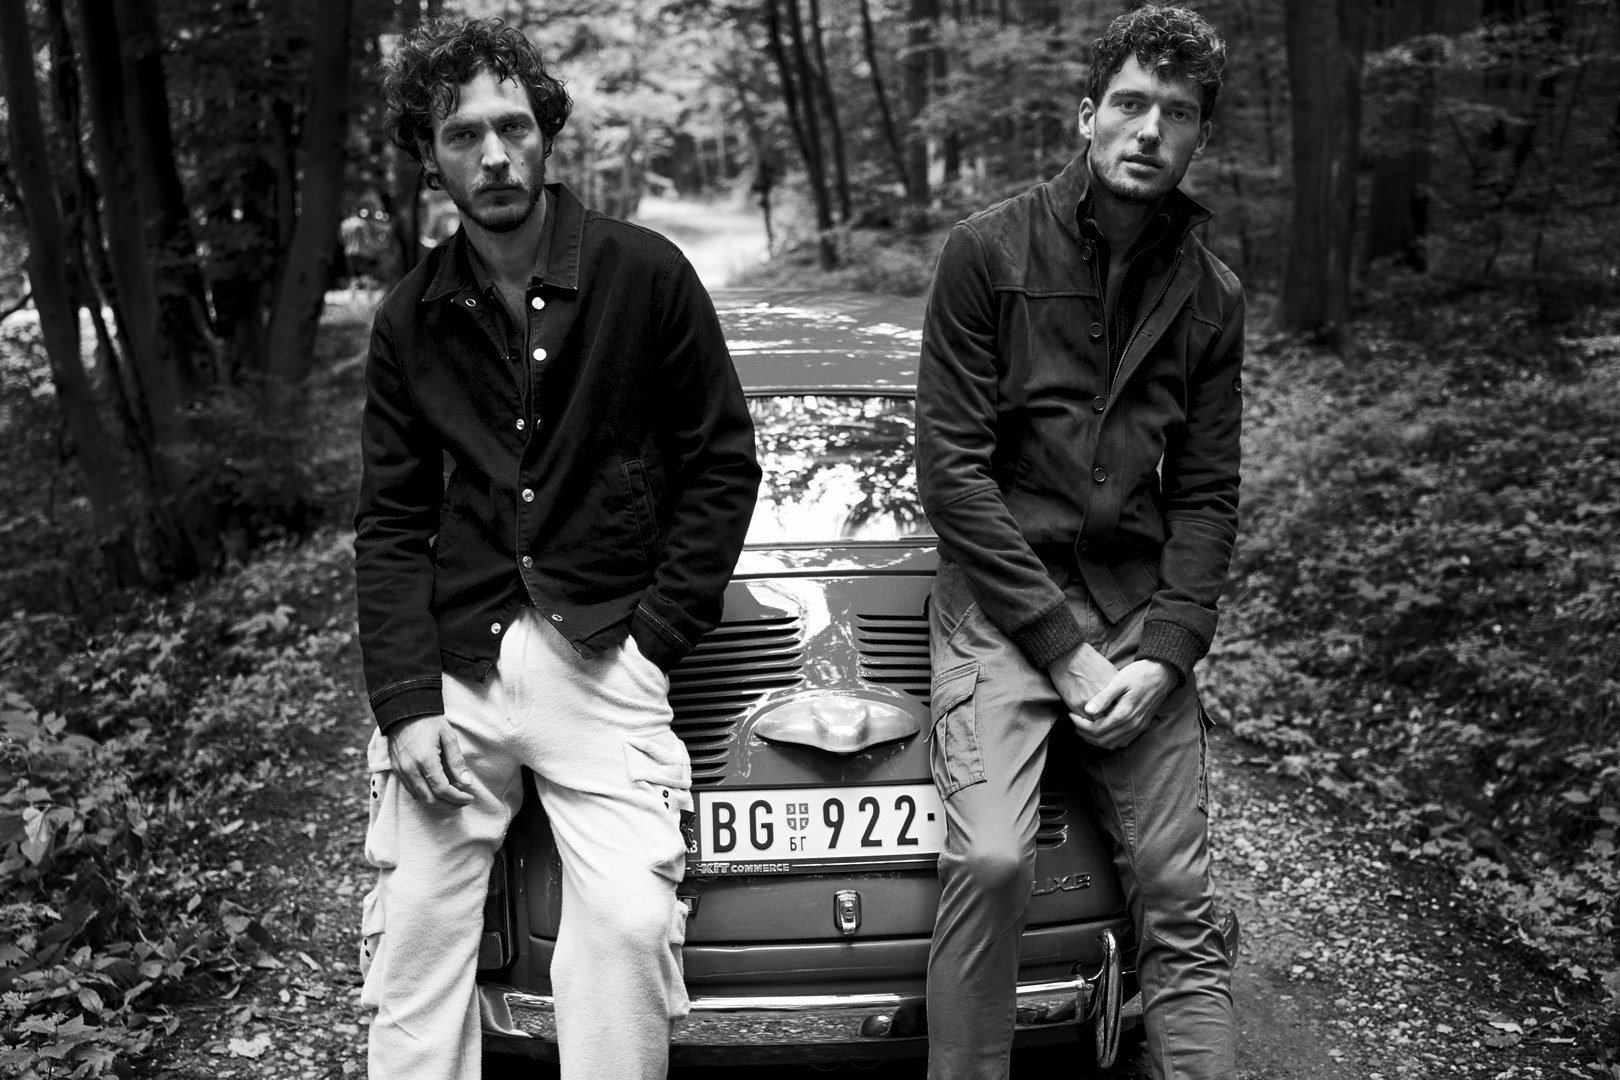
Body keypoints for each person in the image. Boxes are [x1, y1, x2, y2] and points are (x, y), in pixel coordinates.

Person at [351, 16, 759, 1080]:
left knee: (626, 924)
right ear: (427, 155)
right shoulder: (408, 320)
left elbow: (723, 464)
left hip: (607, 655)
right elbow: (391, 521)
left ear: (546, 134)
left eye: (513, 126)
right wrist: (405, 706)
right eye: (462, 135)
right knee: (414, 945)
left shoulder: (647, 275)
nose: (493, 155)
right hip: (461, 675)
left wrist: (658, 638)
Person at [914, 5, 1242, 1079]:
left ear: (1199, 135)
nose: (1151, 130)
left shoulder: (1210, 294)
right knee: (996, 858)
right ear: (1086, 116)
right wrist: (1063, 649)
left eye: (1178, 113)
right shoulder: (985, 253)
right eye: (1132, 104)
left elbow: (1205, 495)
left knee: (1180, 890)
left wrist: (1167, 654)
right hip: (1005, 607)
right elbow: (953, 478)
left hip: (1137, 608)